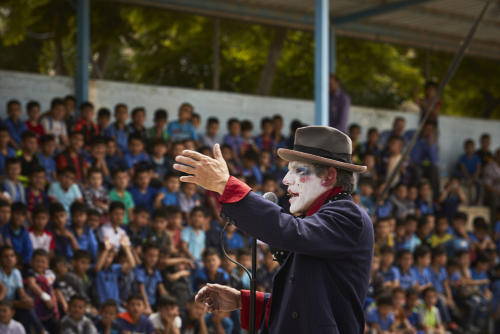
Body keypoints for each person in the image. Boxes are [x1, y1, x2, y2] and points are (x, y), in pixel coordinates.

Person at [174, 126, 373, 333]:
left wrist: (227, 186)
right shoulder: (318, 220)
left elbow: (290, 232)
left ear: (328, 177)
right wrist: (244, 300)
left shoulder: (349, 216)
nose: (286, 179)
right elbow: (307, 305)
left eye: (298, 170)